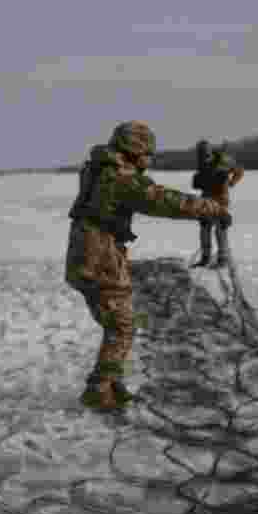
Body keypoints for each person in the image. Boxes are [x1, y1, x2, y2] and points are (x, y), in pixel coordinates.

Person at [66, 121, 231, 411]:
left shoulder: (100, 168)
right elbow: (165, 201)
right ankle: (99, 388)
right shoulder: (120, 176)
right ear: (135, 149)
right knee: (123, 324)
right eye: (147, 153)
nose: (149, 160)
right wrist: (213, 208)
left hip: (93, 251)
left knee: (120, 320)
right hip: (98, 255)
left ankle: (109, 380)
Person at [191, 140, 244, 269]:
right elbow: (199, 181)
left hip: (221, 199)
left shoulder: (224, 160)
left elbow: (239, 171)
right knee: (204, 228)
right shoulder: (201, 163)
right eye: (201, 154)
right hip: (206, 198)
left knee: (220, 228)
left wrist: (231, 182)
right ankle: (205, 258)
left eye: (205, 153)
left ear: (210, 151)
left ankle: (222, 259)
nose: (203, 156)